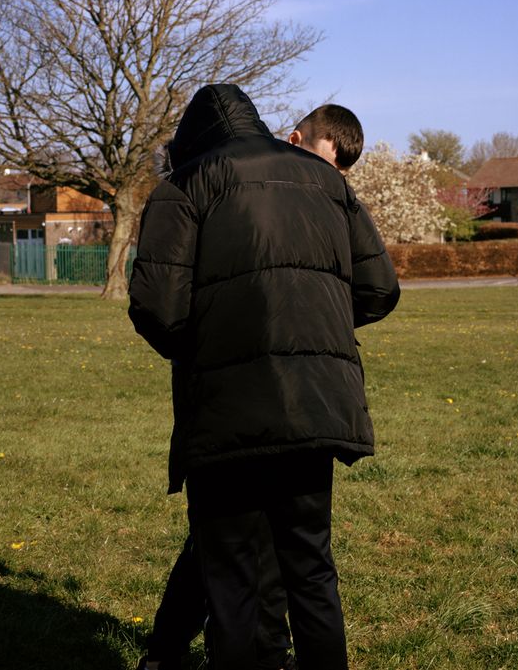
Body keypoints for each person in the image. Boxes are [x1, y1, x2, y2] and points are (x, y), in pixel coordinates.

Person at [128, 85, 400, 670]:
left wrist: (207, 347)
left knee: (231, 580)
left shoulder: (185, 184)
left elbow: (157, 307)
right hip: (316, 404)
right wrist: (313, 330)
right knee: (311, 569)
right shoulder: (326, 181)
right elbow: (379, 289)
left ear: (191, 138)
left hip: (225, 411)